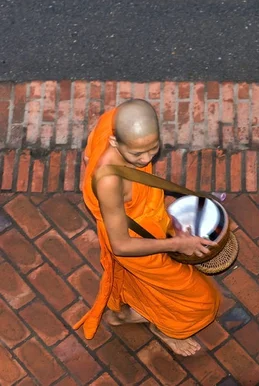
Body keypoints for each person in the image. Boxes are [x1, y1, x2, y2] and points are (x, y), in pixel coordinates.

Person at [74, 99, 221, 356]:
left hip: (150, 221)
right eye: (136, 155)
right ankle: (165, 330)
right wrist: (177, 243)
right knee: (201, 301)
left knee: (152, 286)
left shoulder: (112, 119)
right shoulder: (110, 182)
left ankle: (124, 315)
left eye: (153, 149)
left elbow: (87, 154)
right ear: (114, 142)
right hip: (137, 247)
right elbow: (120, 245)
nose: (145, 159)